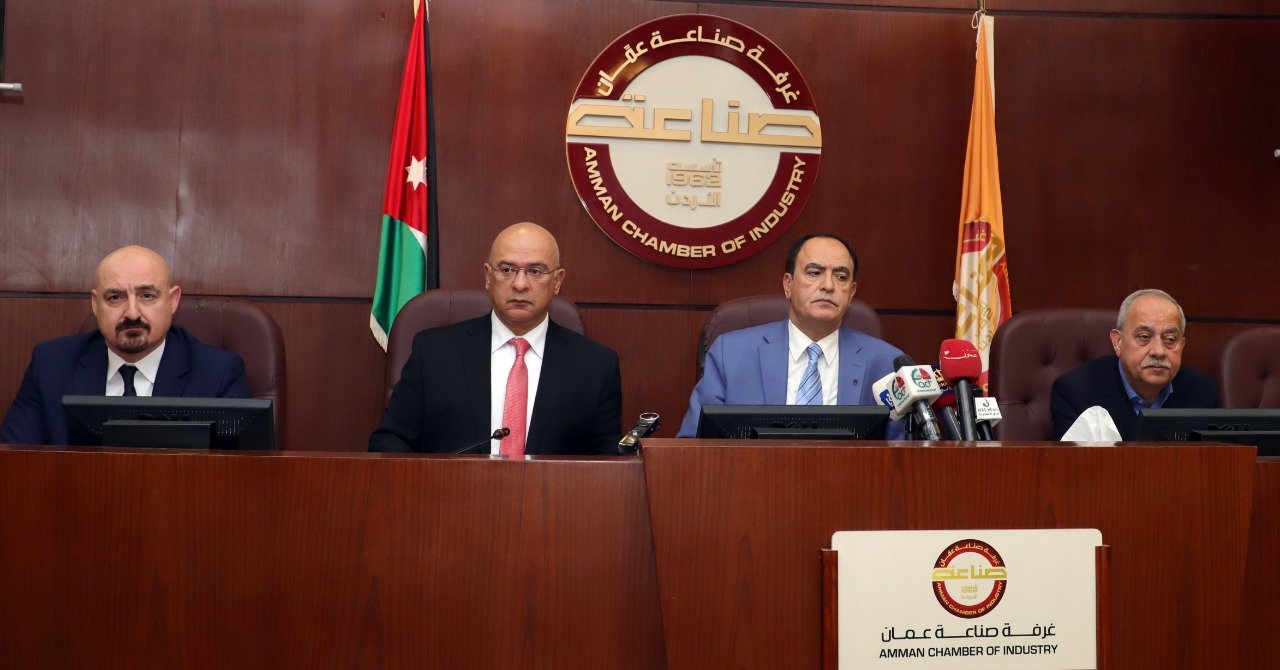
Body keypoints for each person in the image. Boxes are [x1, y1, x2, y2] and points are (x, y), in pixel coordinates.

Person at [370, 222, 622, 455]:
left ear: (557, 281)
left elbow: (607, 464)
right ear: (488, 276)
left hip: (552, 491)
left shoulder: (596, 366)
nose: (520, 284)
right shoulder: (434, 353)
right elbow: (390, 442)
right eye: (507, 269)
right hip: (451, 489)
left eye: (535, 271)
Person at [0, 245, 250, 445]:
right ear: (95, 304)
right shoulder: (51, 365)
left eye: (147, 296)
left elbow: (236, 475)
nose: (132, 313)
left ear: (172, 301)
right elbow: (13, 463)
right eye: (115, 297)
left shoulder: (218, 373)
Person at [677, 233, 906, 437]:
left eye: (841, 276)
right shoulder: (730, 354)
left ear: (851, 292)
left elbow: (903, 455)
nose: (828, 285)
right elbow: (693, 446)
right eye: (814, 273)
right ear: (788, 285)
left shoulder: (887, 364)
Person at [1050, 288, 1219, 440]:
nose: (1158, 351)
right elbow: (1069, 463)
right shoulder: (1077, 391)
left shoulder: (1203, 392)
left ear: (1182, 346)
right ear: (1118, 342)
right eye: (1144, 337)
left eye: (1170, 339)